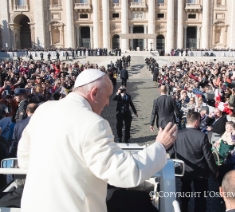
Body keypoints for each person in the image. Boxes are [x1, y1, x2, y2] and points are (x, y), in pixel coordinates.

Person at [17, 69, 178, 212]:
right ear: (93, 93)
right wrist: (160, 146)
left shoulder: (43, 110)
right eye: (107, 96)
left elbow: (24, 160)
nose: (108, 103)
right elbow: (125, 172)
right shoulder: (93, 123)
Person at [169, 111, 218, 212]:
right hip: (200, 172)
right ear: (196, 122)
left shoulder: (178, 135)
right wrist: (214, 170)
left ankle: (184, 208)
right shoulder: (202, 136)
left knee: (185, 191)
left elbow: (172, 153)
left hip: (184, 170)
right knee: (200, 197)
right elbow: (208, 156)